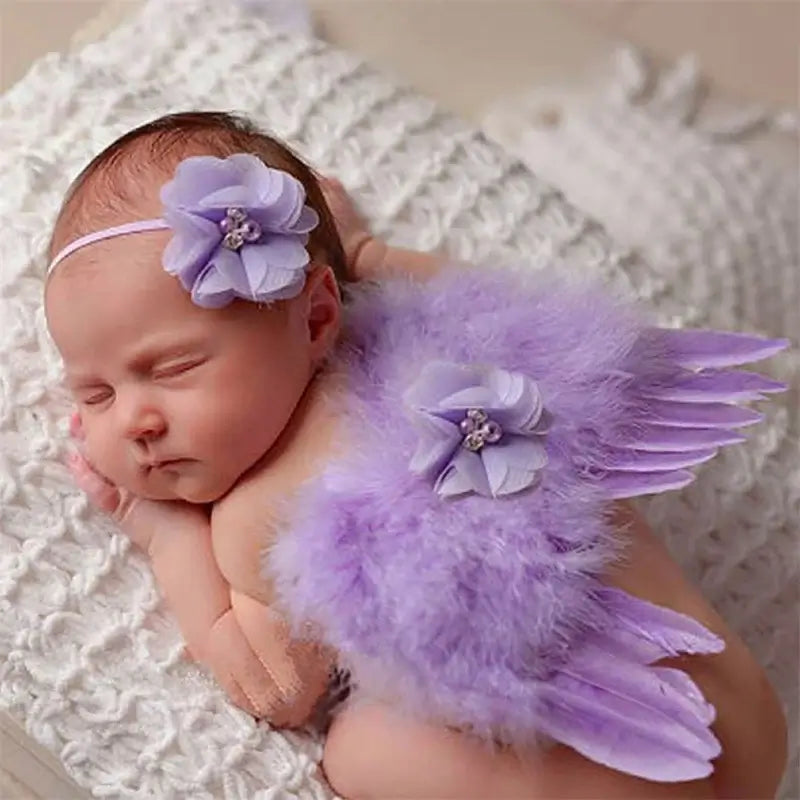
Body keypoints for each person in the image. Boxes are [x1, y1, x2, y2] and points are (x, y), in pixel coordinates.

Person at [45, 111, 787, 799]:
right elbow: (490, 298)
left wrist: (165, 534)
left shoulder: (249, 524)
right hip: (742, 715)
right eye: (95, 396)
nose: (135, 420)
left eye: (173, 368)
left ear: (319, 313)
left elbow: (274, 686)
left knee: (357, 750)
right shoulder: (420, 333)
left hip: (631, 757)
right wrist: (367, 251)